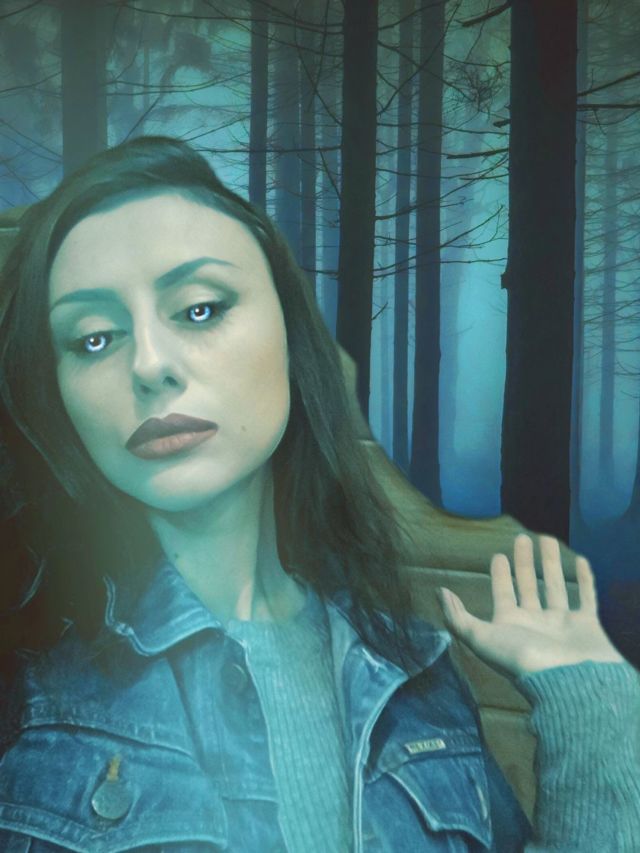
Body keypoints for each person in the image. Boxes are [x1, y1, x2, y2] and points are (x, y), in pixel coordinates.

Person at [0, 136, 637, 852]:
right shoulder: (27, 689)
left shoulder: (415, 679)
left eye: (200, 308)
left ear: (290, 335)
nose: (149, 364)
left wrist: (589, 698)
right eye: (93, 338)